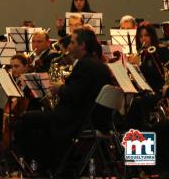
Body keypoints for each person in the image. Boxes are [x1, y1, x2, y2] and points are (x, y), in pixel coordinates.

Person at [14, 28, 112, 174]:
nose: (70, 46)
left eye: (72, 43)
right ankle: (50, 164)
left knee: (24, 120)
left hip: (78, 119)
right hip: (93, 118)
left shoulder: (85, 65)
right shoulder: (99, 65)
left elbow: (75, 95)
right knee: (37, 120)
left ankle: (40, 167)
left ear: (82, 45)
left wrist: (60, 88)